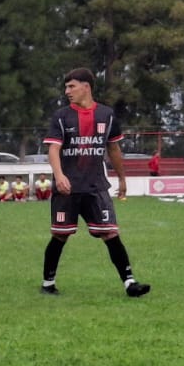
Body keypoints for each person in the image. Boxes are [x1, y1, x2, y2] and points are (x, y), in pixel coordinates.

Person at [40, 68, 151, 298]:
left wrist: (121, 178)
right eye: (66, 87)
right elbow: (53, 148)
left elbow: (114, 148)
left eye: (72, 86)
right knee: (60, 235)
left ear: (86, 87)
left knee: (110, 233)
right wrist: (59, 176)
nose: (67, 91)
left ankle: (130, 282)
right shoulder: (61, 116)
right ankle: (48, 283)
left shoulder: (107, 115)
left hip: (96, 186)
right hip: (68, 188)